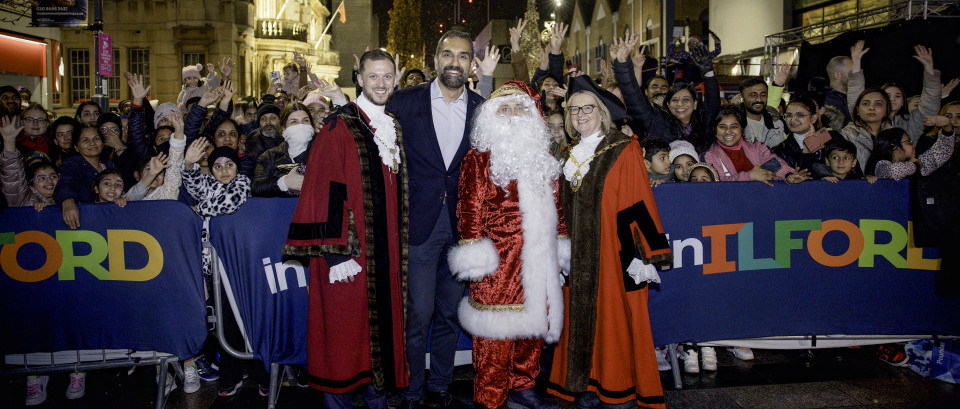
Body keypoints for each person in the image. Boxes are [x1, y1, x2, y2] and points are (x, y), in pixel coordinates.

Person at [282, 49, 408, 409]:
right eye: (373, 76)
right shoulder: (339, 127)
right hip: (347, 256)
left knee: (373, 340)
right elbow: (322, 191)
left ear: (396, 79)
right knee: (342, 338)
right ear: (359, 79)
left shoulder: (392, 126)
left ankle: (376, 397)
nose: (381, 83)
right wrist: (336, 256)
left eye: (387, 76)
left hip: (384, 256)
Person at [547, 86, 673, 409]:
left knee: (615, 320)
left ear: (601, 112)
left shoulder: (623, 148)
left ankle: (618, 388)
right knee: (583, 319)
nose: (581, 115)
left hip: (614, 254)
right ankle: (588, 383)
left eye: (588, 108)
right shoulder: (567, 154)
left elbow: (638, 198)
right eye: (574, 110)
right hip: (577, 256)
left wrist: (645, 254)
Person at [449, 82, 567, 409]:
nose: (513, 115)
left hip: (539, 256)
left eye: (520, 108)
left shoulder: (543, 158)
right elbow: (468, 209)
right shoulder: (478, 159)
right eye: (505, 109)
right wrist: (473, 253)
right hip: (498, 259)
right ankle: (490, 394)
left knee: (532, 328)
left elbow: (557, 207)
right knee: (494, 336)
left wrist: (561, 245)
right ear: (491, 117)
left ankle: (523, 386)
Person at [385, 30, 486, 409]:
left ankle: (440, 385)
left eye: (462, 56)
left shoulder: (480, 107)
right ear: (435, 58)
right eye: (448, 54)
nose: (455, 62)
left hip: (463, 225)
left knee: (448, 311)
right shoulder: (404, 102)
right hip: (419, 223)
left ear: (471, 64)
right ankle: (411, 390)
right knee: (419, 313)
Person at [613, 33, 720, 151]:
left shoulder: (704, 124)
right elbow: (634, 97)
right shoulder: (656, 122)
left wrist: (708, 72)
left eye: (686, 99)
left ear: (695, 104)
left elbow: (713, 103)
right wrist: (623, 64)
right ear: (668, 104)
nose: (680, 104)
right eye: (675, 100)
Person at [846, 42, 941, 143]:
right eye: (888, 95)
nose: (892, 99)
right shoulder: (868, 119)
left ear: (903, 102)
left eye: (898, 96)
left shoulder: (912, 123)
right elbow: (856, 98)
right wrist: (856, 64)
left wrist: (929, 70)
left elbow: (930, 103)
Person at [704, 107, 811, 186]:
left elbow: (776, 165)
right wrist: (750, 176)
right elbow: (718, 183)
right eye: (722, 127)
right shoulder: (710, 156)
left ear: (742, 129)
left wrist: (789, 175)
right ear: (715, 130)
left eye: (734, 127)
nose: (728, 132)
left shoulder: (757, 148)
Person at [54, 125, 117, 230]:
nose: (92, 143)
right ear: (76, 147)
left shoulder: (109, 165)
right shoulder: (72, 165)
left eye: (96, 138)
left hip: (111, 219)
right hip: (87, 223)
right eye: (85, 140)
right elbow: (65, 184)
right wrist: (67, 202)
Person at [252, 103, 315, 197]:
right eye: (294, 122)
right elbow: (257, 187)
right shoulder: (270, 156)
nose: (301, 126)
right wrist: (284, 182)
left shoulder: (322, 154)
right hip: (281, 209)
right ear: (283, 127)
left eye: (305, 121)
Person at [1, 116, 57, 209]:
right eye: (41, 178)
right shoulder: (23, 199)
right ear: (29, 182)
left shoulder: (67, 197)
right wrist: (9, 142)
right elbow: (13, 176)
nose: (49, 181)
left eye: (53, 176)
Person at [867, 127, 956, 180]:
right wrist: (915, 165)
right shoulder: (881, 166)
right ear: (895, 148)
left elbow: (941, 153)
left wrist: (947, 129)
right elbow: (893, 171)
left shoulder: (913, 164)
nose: (913, 145)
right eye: (908, 142)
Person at [739, 77, 786, 148]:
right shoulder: (735, 125)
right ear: (742, 97)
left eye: (763, 95)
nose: (759, 99)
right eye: (753, 95)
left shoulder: (776, 124)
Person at [824, 53, 853, 125]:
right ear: (837, 75)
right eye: (852, 73)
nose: (856, 77)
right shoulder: (827, 103)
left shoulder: (853, 98)